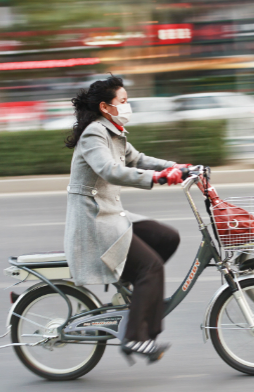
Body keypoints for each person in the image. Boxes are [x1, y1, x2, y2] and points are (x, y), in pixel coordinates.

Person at [64, 75, 187, 364]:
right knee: (151, 268)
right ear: (106, 107)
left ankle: (138, 303)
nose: (128, 105)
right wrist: (157, 178)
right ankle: (135, 337)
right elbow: (110, 171)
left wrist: (180, 167)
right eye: (124, 101)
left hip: (110, 213)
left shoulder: (114, 132)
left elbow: (138, 159)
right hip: (94, 221)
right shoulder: (95, 134)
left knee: (167, 238)